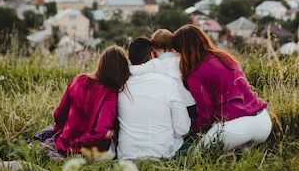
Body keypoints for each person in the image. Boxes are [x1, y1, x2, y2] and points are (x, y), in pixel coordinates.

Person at [171, 24, 272, 152]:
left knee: (196, 157)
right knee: (235, 155)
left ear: (183, 52)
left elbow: (206, 112)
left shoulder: (195, 73)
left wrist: (194, 131)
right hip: (263, 122)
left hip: (235, 128)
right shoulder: (225, 57)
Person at [116, 36, 191, 159]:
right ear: (152, 55)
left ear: (129, 58)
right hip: (163, 155)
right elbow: (182, 128)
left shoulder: (120, 85)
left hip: (127, 155)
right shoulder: (168, 83)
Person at [53, 46, 131, 157]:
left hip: (65, 144)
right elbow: (100, 132)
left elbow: (58, 115)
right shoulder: (110, 94)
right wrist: (112, 133)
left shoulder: (77, 80)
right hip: (91, 151)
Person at [151, 29, 196, 119]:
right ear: (172, 47)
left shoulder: (154, 65)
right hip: (190, 102)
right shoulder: (181, 61)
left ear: (154, 48)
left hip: (172, 107)